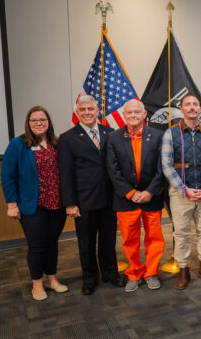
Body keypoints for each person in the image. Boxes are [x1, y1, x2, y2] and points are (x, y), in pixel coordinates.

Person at [57, 95, 124, 295]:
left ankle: (111, 274)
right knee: (86, 243)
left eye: (90, 109)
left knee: (108, 241)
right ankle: (90, 279)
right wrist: (70, 203)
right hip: (83, 202)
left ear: (98, 112)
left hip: (109, 200)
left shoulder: (110, 133)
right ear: (77, 113)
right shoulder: (67, 138)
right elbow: (65, 173)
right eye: (83, 110)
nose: (87, 112)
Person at [1, 106, 69, 301]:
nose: (39, 123)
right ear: (28, 123)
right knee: (37, 245)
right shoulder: (18, 144)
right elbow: (7, 176)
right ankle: (37, 284)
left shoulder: (56, 143)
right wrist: (11, 204)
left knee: (52, 244)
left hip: (57, 204)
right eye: (34, 120)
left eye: (43, 120)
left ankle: (52, 280)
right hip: (32, 205)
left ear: (49, 122)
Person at [161, 94, 201, 289]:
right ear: (182, 109)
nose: (192, 107)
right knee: (181, 233)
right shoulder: (171, 133)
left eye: (195, 104)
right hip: (180, 193)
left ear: (200, 109)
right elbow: (167, 165)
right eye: (188, 104)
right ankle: (184, 269)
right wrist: (183, 189)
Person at [106, 99, 165, 292]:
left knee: (154, 238)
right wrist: (131, 193)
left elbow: (161, 168)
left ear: (144, 114)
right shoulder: (113, 137)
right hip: (125, 199)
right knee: (129, 240)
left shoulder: (157, 136)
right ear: (124, 116)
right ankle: (134, 273)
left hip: (152, 197)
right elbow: (112, 170)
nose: (133, 115)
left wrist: (149, 192)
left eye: (136, 112)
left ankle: (151, 273)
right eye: (129, 113)